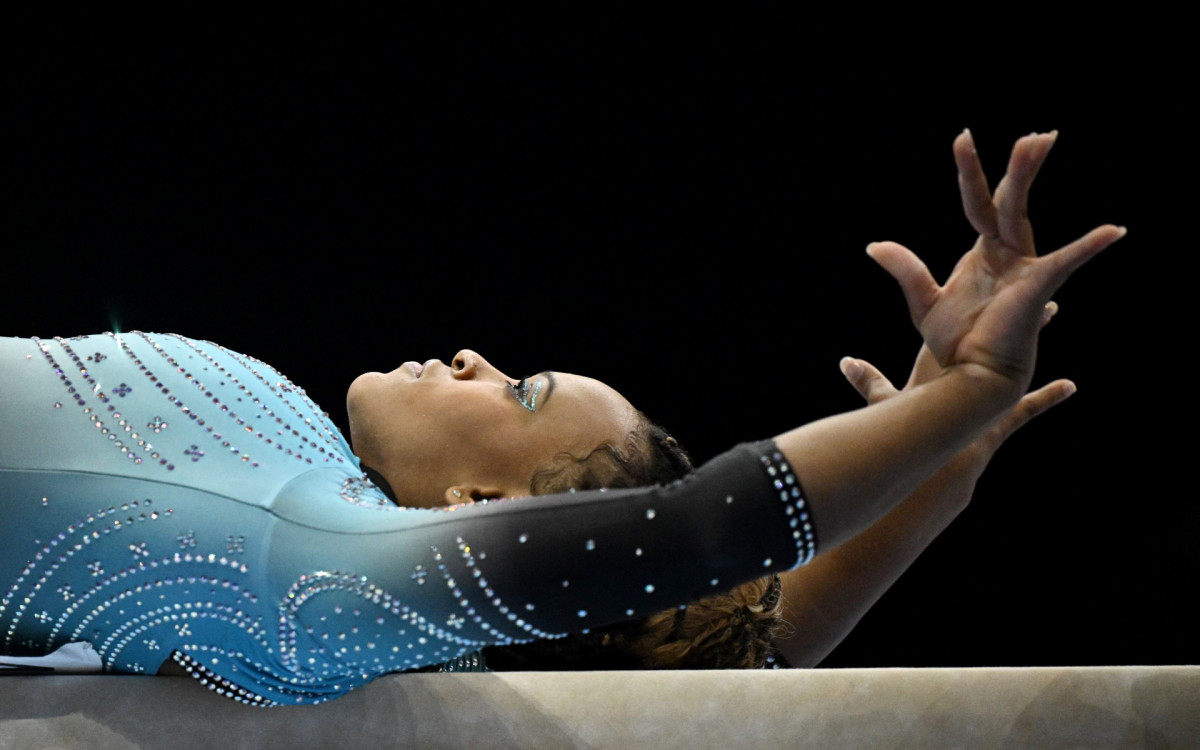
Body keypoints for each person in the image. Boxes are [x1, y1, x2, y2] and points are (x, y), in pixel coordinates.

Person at [0, 130, 1123, 704]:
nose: (480, 359)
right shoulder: (345, 581)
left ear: (481, 513)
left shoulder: (330, 581)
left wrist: (968, 393)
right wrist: (943, 456)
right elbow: (741, 657)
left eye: (520, 391)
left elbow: (691, 538)